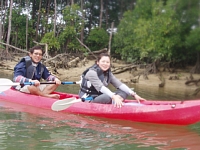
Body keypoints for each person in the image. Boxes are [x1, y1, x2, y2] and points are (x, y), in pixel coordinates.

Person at [79, 53, 146, 108]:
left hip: (100, 96)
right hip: (89, 99)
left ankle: (116, 101)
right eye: (103, 61)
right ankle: (116, 101)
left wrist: (134, 94)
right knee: (108, 96)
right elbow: (101, 88)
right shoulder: (92, 73)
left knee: (126, 91)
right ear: (98, 62)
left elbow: (120, 84)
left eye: (107, 62)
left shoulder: (108, 73)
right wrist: (114, 97)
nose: (105, 64)